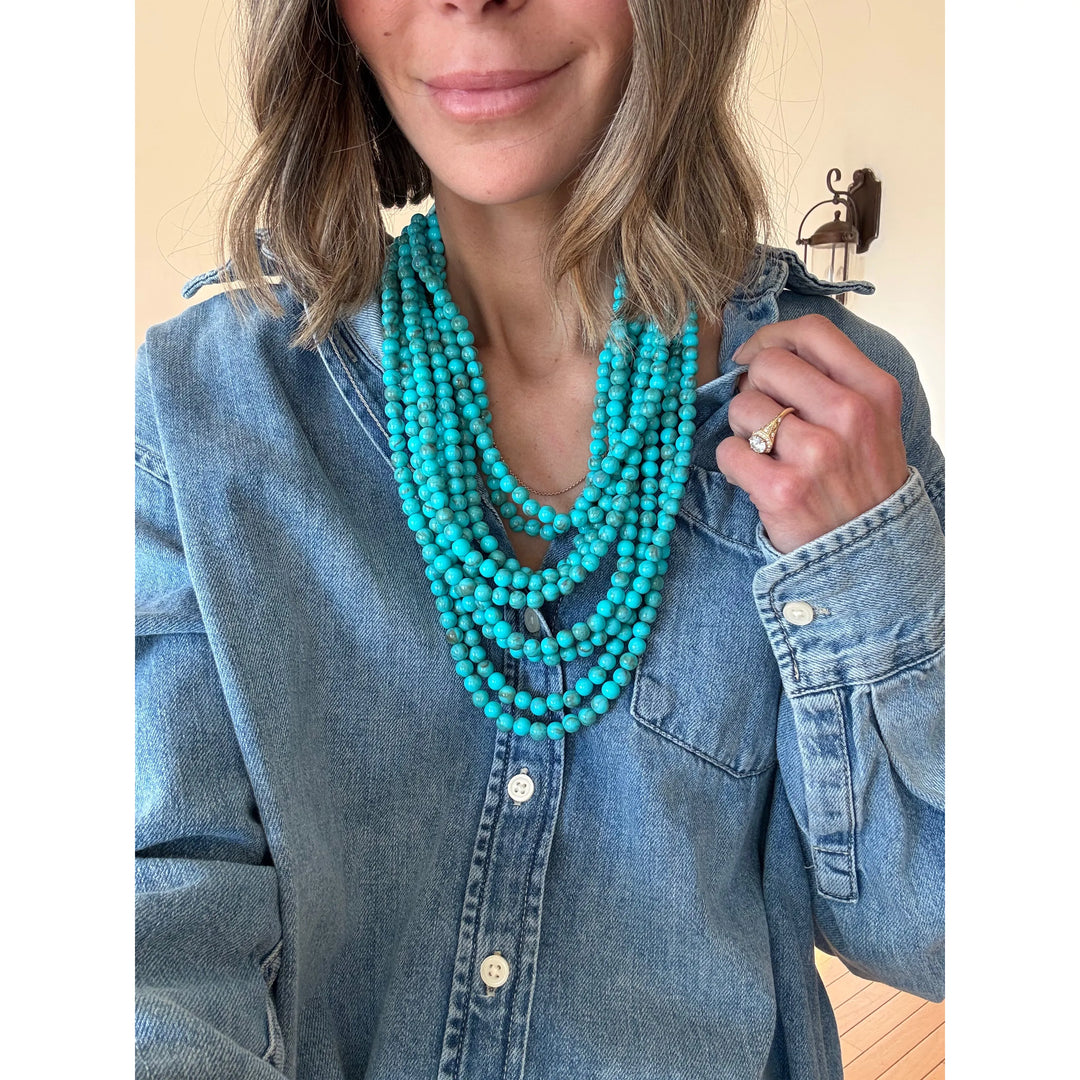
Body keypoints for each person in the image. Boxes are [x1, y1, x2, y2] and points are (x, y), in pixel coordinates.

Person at [135, 1, 944, 1077]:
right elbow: (156, 932)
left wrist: (864, 575)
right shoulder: (202, 416)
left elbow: (934, 929)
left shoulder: (840, 416)